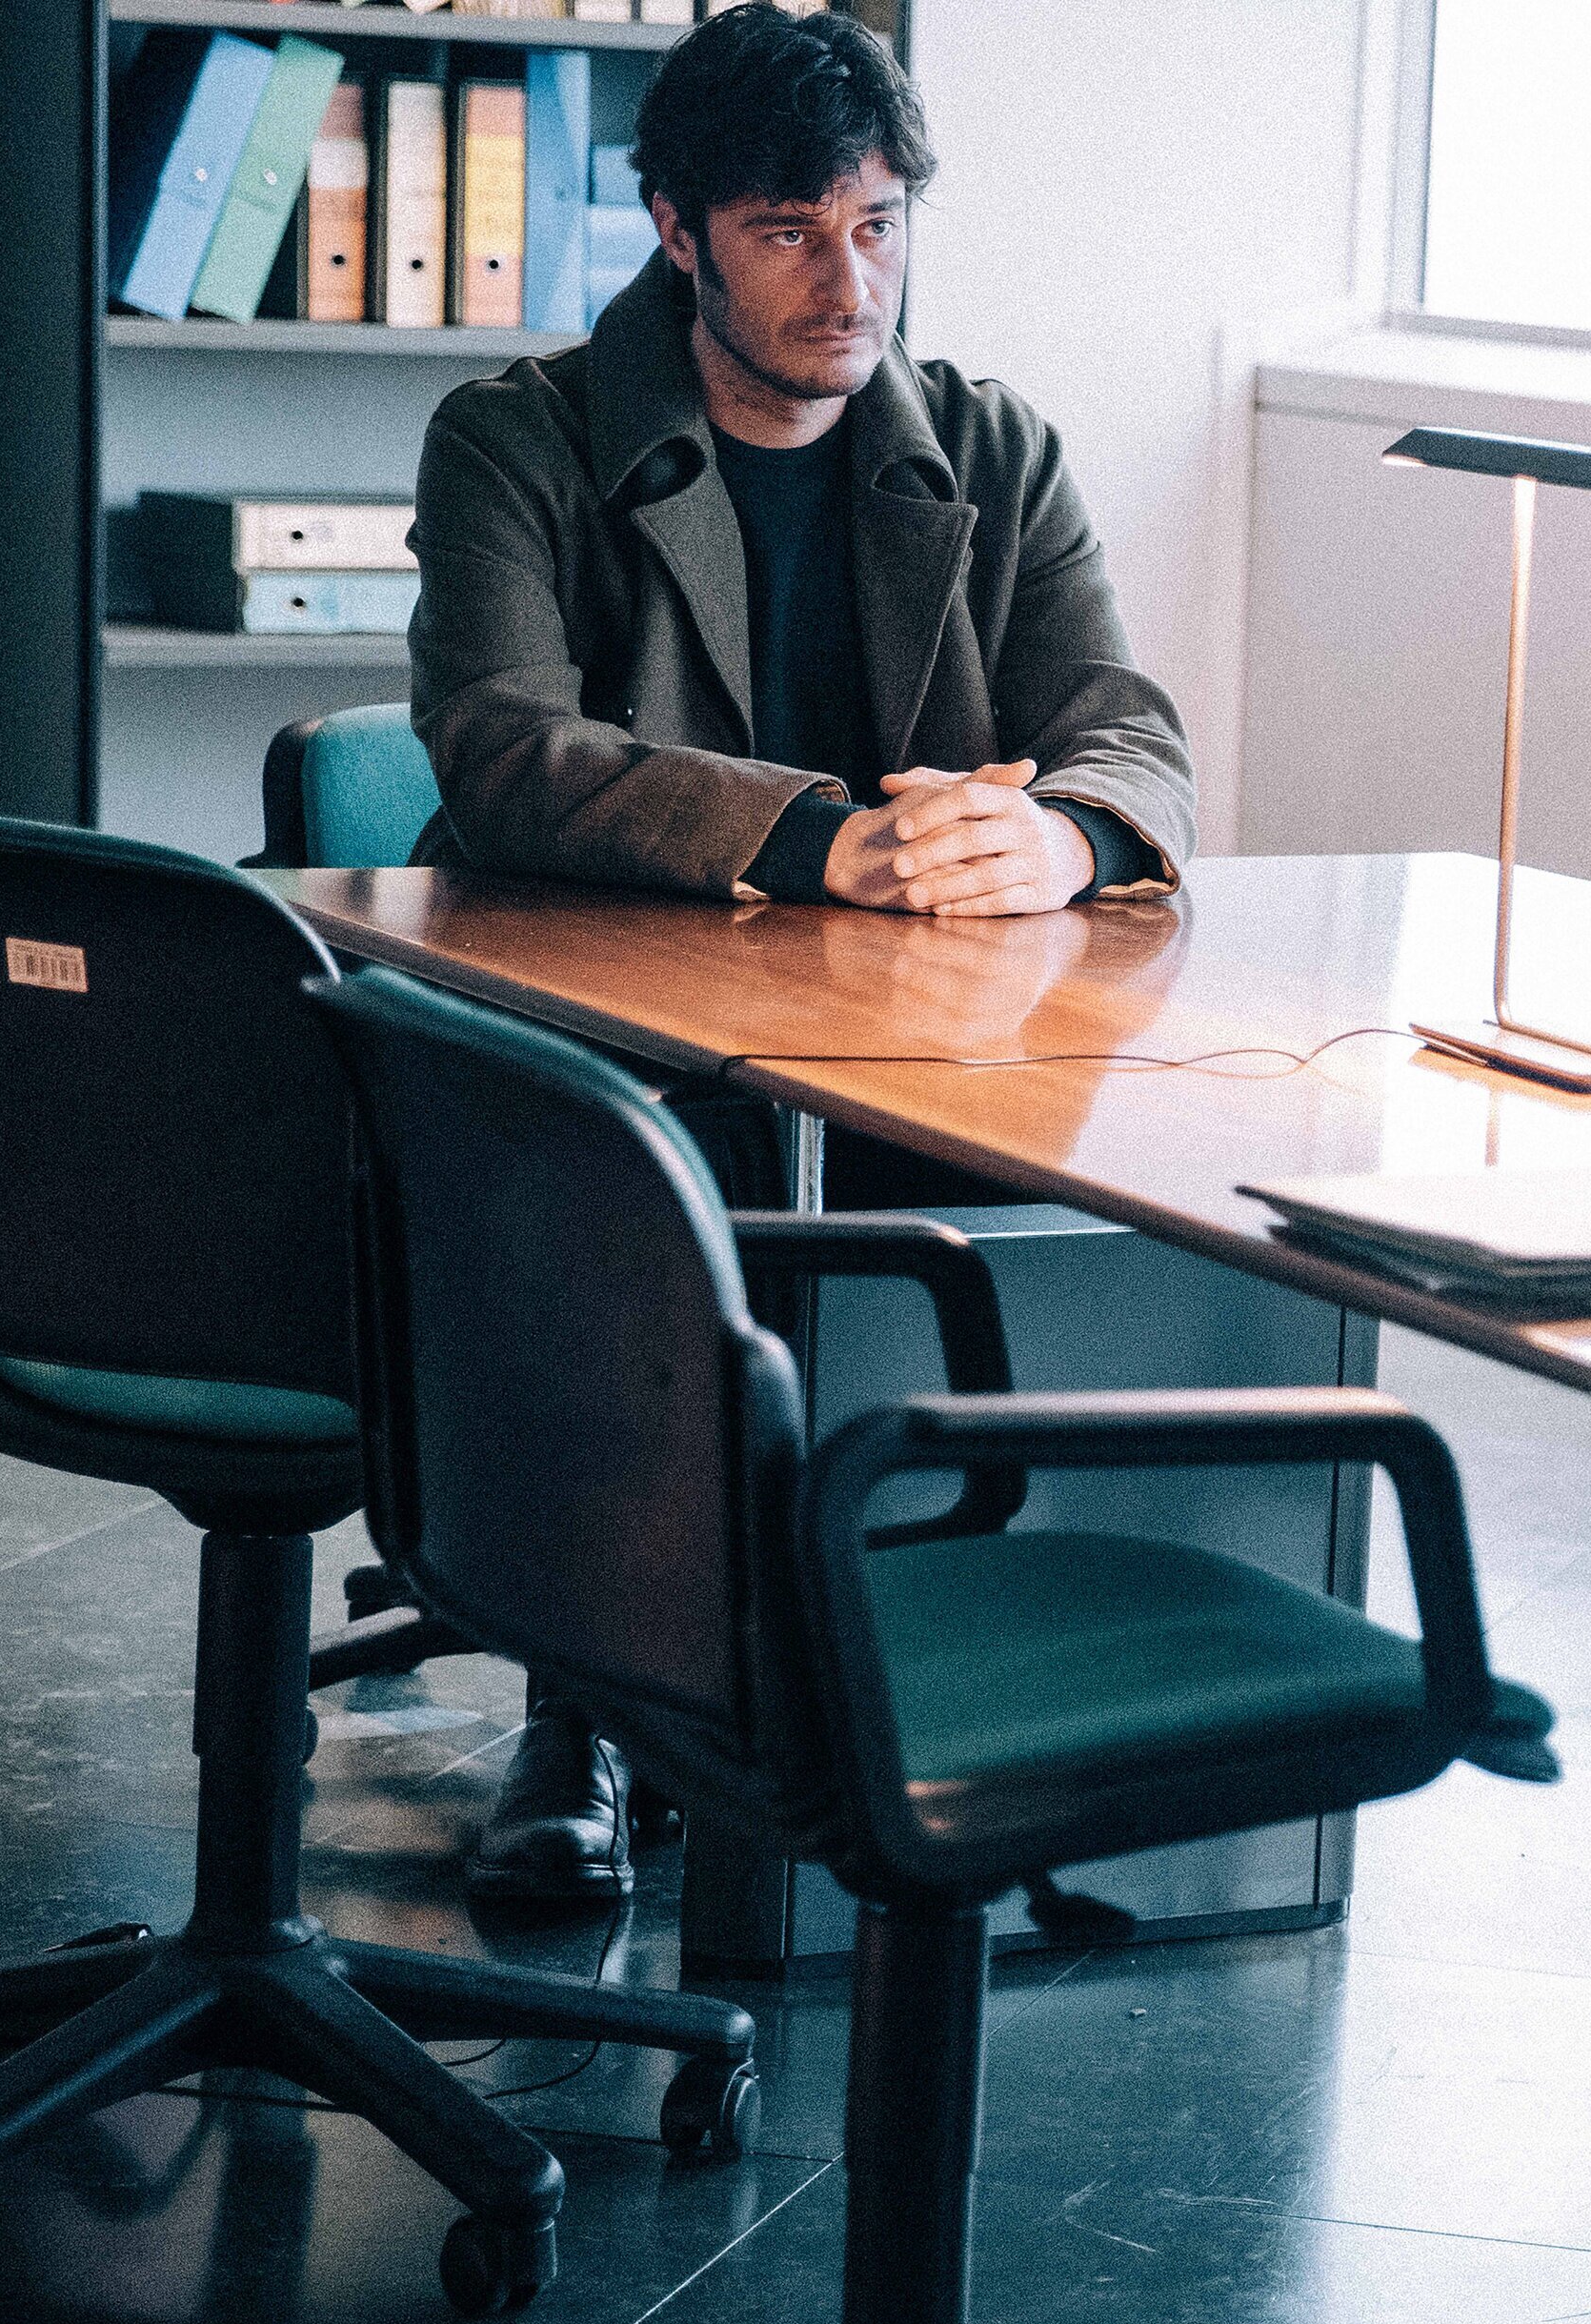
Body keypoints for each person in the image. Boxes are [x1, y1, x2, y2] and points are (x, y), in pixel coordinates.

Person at [404, 5, 1194, 1899]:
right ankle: (591, 1707)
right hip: (606, 1017)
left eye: (876, 225)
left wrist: (1062, 833)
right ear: (676, 231)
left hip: (907, 1030)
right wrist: (815, 836)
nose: (849, 285)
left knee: (1081, 1179)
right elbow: (503, 752)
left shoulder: (993, 447)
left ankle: (933, 1680)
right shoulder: (516, 436)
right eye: (787, 231)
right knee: (657, 1198)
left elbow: (1125, 726)